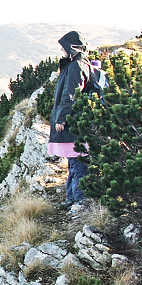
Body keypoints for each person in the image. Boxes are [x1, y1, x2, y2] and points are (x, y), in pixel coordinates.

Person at [49, 31, 93, 209]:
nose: (62, 50)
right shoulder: (78, 64)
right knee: (73, 162)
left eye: (64, 47)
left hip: (73, 123)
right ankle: (72, 198)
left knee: (77, 161)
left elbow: (71, 94)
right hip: (76, 121)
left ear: (72, 47)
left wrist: (62, 118)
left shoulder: (77, 66)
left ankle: (80, 201)